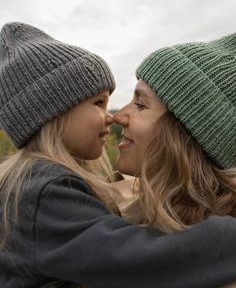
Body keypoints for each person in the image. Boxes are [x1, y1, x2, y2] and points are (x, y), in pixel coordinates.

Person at [0, 22, 236, 288]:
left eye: (139, 104)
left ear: (187, 131)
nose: (115, 116)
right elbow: (133, 257)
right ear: (54, 115)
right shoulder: (44, 190)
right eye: (99, 103)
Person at [114, 33, 236, 232]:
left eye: (140, 105)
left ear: (184, 135)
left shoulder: (212, 255)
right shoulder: (125, 218)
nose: (117, 117)